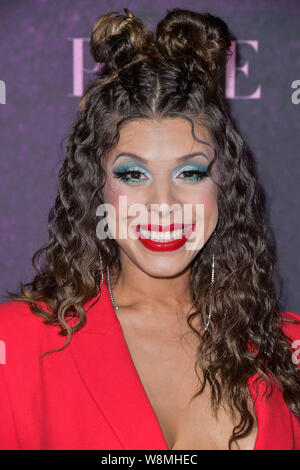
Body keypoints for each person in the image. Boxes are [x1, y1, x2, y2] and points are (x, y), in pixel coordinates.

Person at [0, 7, 300, 451]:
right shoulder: (18, 345)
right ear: (95, 186)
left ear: (225, 184)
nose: (163, 206)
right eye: (133, 175)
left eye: (190, 174)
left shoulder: (287, 350)